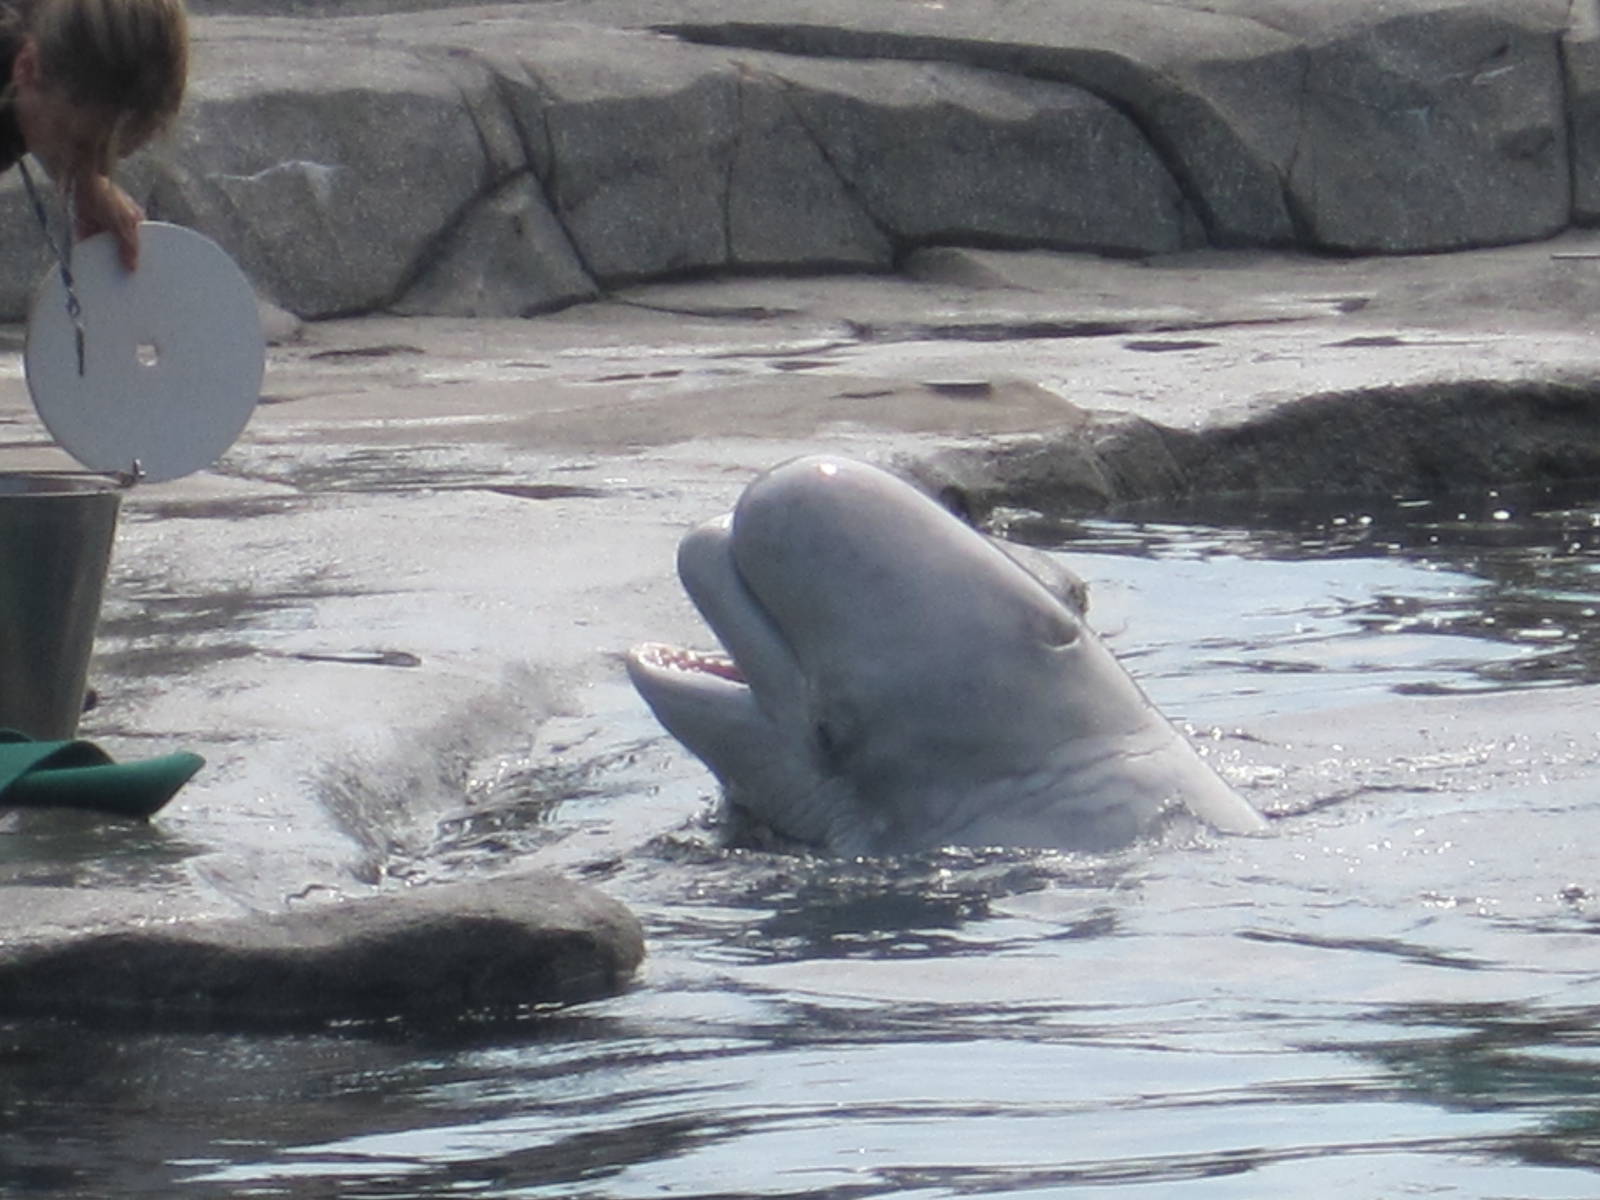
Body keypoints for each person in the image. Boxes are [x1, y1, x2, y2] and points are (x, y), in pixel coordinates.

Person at [0, 0, 187, 270]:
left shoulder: (47, 55)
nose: (92, 167)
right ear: (26, 67)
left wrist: (88, 182)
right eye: (79, 146)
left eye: (111, 158)